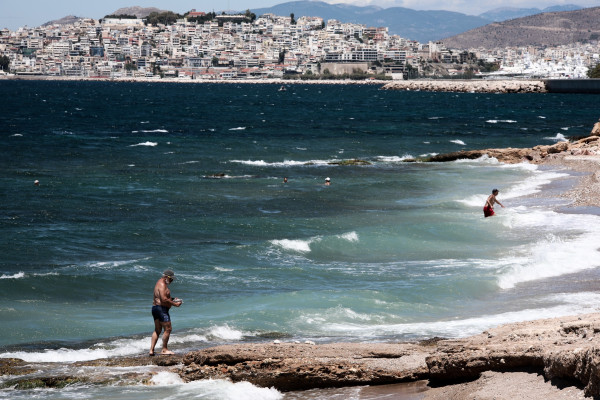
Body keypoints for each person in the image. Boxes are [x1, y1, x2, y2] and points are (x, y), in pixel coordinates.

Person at [150, 269, 182, 356]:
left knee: (157, 330)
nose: (171, 281)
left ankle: (151, 350)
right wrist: (175, 304)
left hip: (155, 308)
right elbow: (164, 299)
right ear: (167, 277)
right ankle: (164, 349)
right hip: (161, 309)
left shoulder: (159, 283)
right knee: (168, 329)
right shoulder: (162, 283)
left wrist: (172, 299)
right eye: (171, 279)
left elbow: (162, 297)